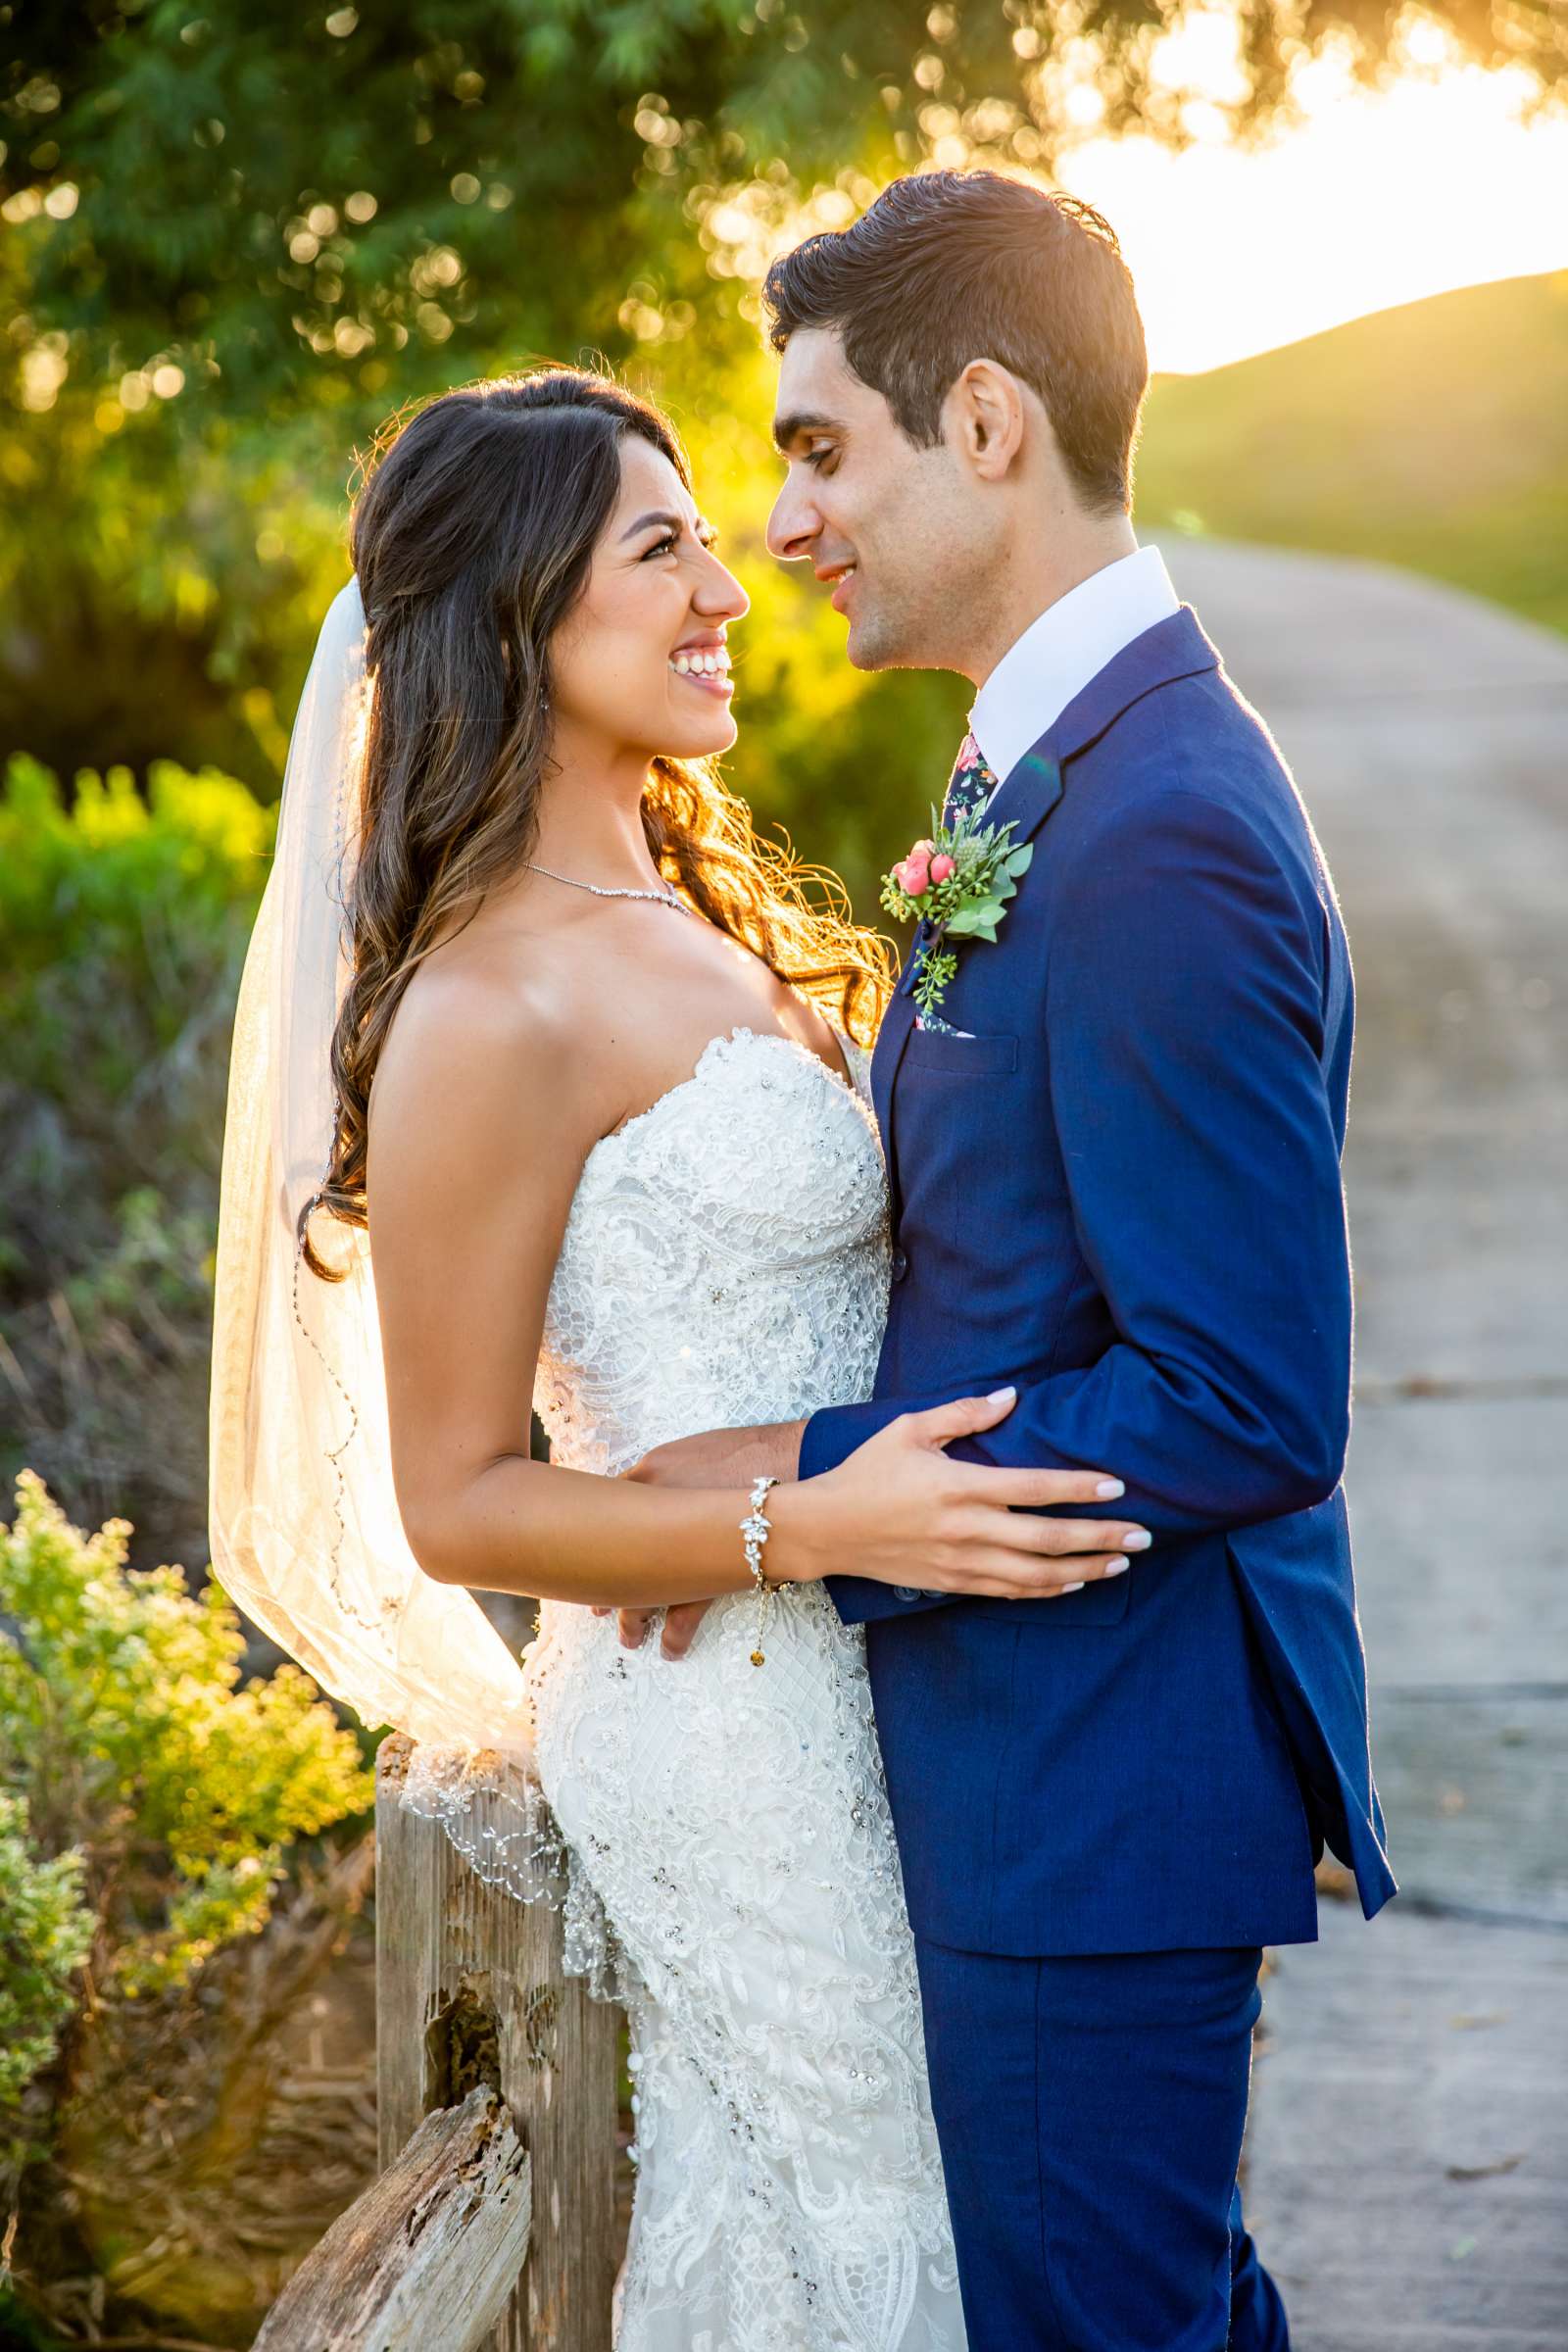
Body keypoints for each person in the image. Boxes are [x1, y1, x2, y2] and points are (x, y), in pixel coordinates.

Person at [210, 363, 1153, 2350]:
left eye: (712, 538)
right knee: (886, 2211)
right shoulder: (488, 1001)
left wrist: (743, 1478)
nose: (728, 588)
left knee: (871, 2216)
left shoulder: (693, 910)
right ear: (514, 619)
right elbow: (457, 1497)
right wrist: (791, 1520)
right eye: (662, 550)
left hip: (859, 1660)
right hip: (722, 1721)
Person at [619, 171, 1397, 2350]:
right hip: (1041, 1777)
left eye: (813, 446)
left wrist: (803, 1504)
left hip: (1090, 1793)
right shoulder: (1055, 759)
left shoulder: (1152, 826)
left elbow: (1241, 1392)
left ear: (978, 423)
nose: (782, 524)